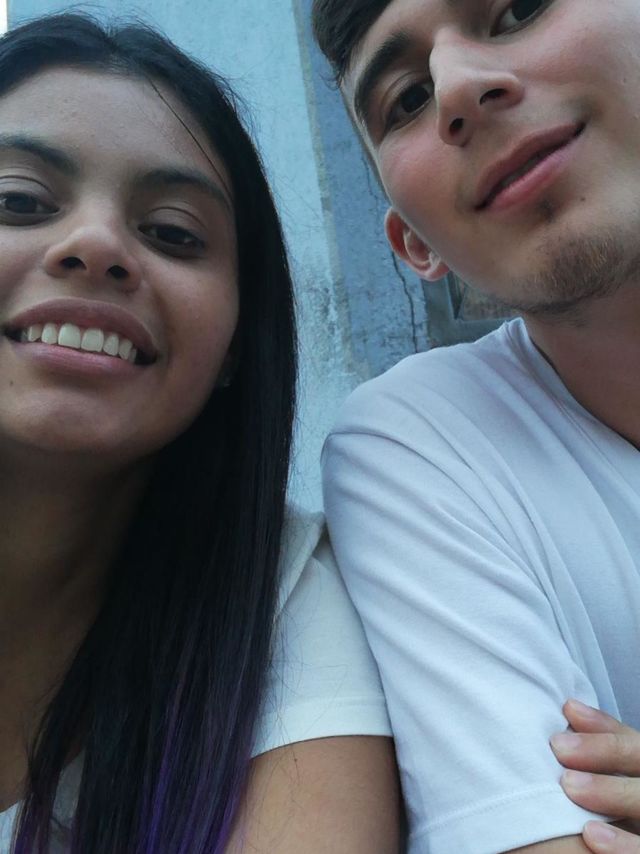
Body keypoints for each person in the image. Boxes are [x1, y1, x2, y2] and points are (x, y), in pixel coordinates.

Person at [0, 13, 400, 853]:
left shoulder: (280, 603)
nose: (96, 244)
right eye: (19, 202)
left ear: (234, 346)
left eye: (174, 233)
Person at [312, 0, 640, 852]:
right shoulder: (420, 446)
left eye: (519, 9)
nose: (457, 87)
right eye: (407, 99)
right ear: (414, 246)